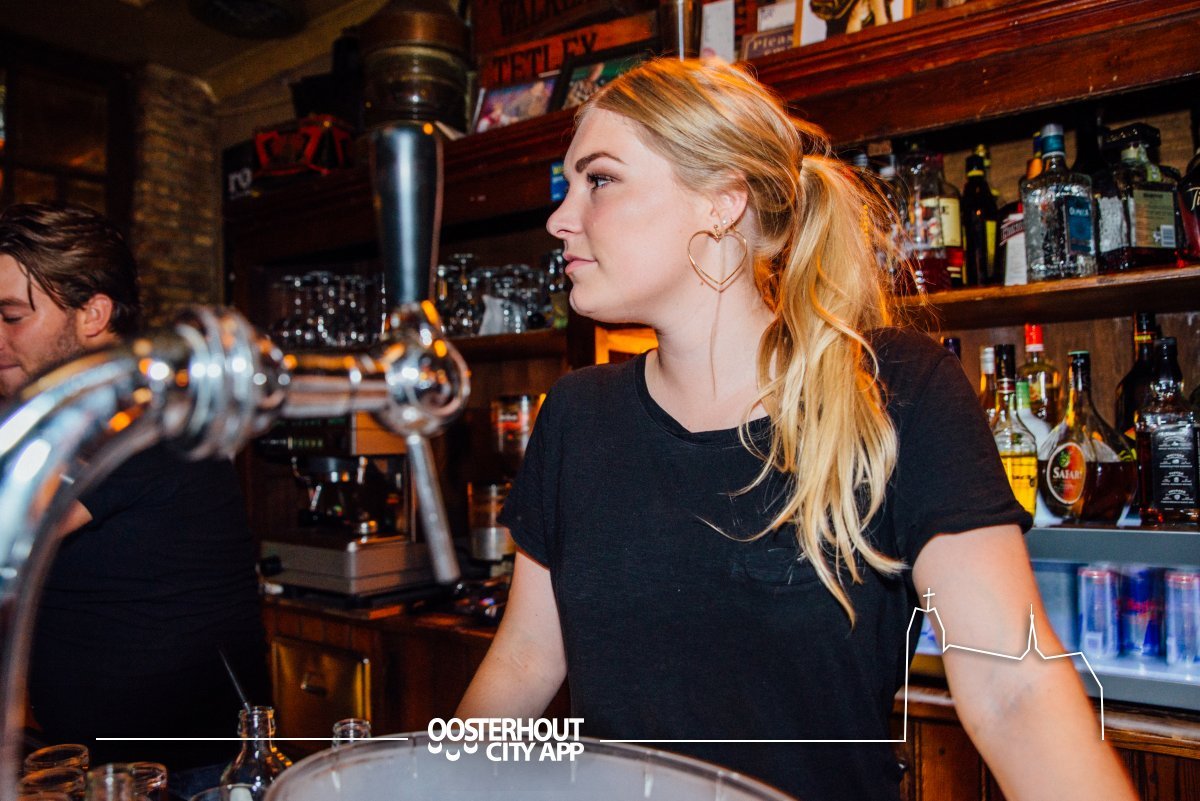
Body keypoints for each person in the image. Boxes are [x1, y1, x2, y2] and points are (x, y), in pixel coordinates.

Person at [456, 59, 1137, 801]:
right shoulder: (576, 415)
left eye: (600, 180)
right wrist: (429, 782)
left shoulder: (893, 390)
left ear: (721, 202)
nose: (559, 219)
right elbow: (525, 658)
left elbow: (1013, 689)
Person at [0, 202, 269, 789]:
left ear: (93, 313)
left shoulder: (143, 413)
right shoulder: (73, 411)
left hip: (193, 775)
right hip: (103, 765)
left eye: (12, 315)